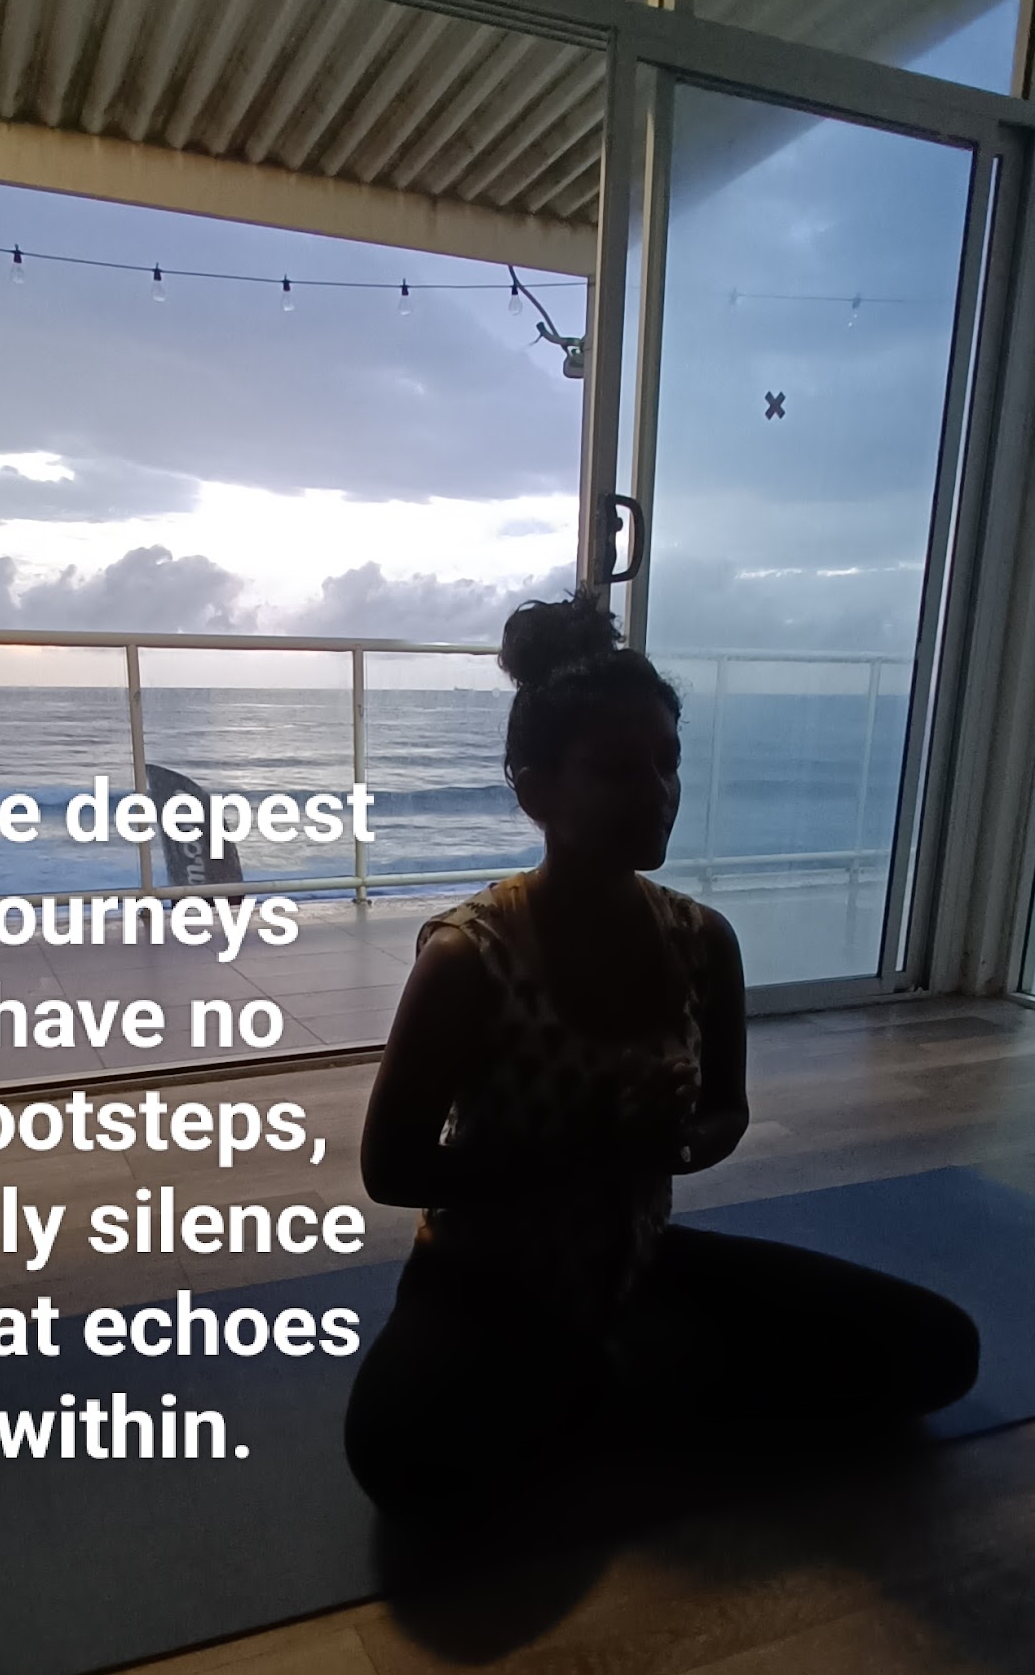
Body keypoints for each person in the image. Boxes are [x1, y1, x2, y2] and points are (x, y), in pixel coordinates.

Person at [343, 587, 980, 1524]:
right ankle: (633, 1375)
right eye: (618, 768)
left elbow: (726, 1113)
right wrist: (591, 1149)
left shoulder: (701, 940)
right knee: (398, 1458)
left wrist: (676, 1144)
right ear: (534, 787)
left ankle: (614, 1375)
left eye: (668, 761)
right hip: (486, 1277)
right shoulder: (470, 956)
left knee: (944, 1351)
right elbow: (391, 1167)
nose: (659, 790)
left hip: (635, 1261)